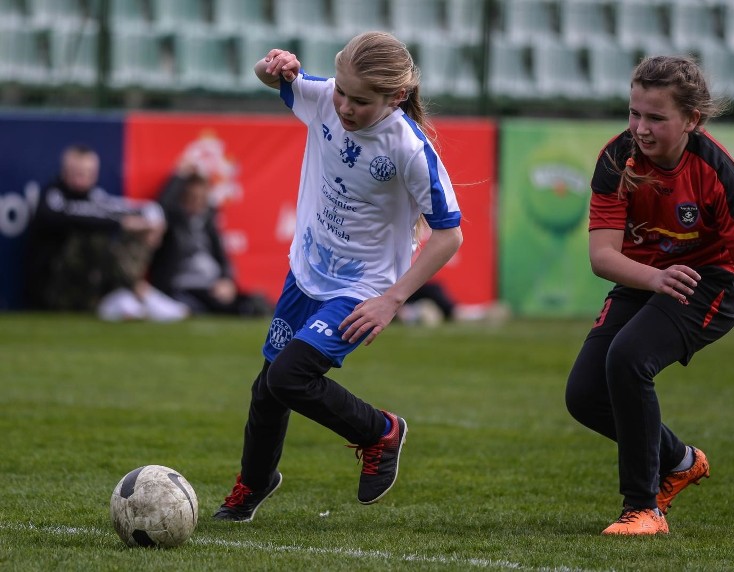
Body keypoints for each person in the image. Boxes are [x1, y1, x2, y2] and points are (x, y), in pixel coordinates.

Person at [212, 31, 463, 521]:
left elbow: (448, 235)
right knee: (268, 388)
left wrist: (393, 299)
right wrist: (272, 66)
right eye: (342, 92)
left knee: (289, 376)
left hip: (361, 289)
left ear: (396, 97)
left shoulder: (409, 149)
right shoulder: (326, 99)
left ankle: (381, 431)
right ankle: (254, 485)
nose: (345, 106)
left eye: (361, 100)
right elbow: (271, 79)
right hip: (305, 273)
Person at [564, 56, 734, 536]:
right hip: (648, 277)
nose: (640, 128)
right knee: (583, 396)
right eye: (634, 113)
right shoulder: (617, 158)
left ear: (692, 120)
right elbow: (602, 256)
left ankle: (644, 509)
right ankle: (681, 460)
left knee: (628, 359)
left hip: (710, 284)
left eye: (656, 118)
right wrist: (654, 278)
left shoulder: (716, 171)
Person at [24, 143, 189, 322]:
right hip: (56, 287)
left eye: (88, 172)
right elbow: (75, 217)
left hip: (93, 280)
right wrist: (122, 223)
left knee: (138, 229)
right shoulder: (52, 196)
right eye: (77, 172)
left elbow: (126, 208)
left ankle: (125, 295)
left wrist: (149, 221)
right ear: (65, 170)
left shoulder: (96, 197)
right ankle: (139, 293)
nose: (83, 178)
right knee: (94, 234)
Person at [149, 168, 271, 317]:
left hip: (211, 284)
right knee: (210, 305)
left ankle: (253, 305)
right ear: (182, 197)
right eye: (192, 197)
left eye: (201, 198)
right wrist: (179, 174)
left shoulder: (208, 224)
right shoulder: (173, 223)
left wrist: (227, 281)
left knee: (245, 299)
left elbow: (222, 257)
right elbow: (162, 205)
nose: (197, 203)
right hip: (182, 286)